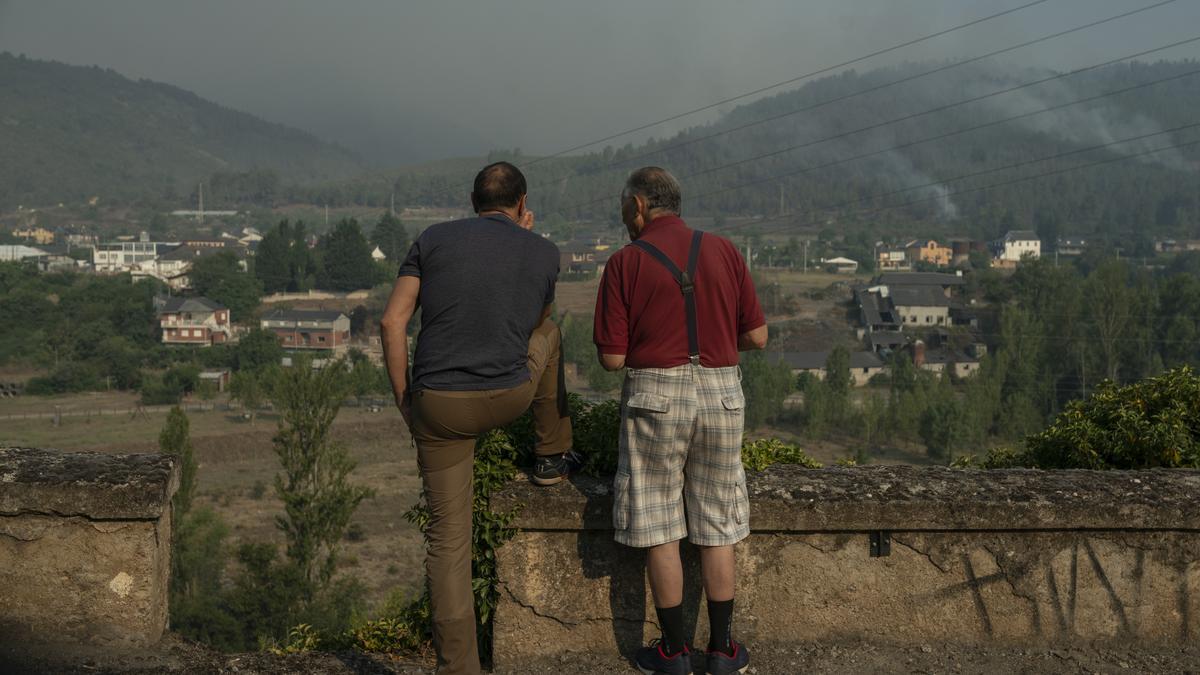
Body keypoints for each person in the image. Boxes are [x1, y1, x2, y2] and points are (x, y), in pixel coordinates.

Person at [380, 161, 580, 675]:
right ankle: (551, 454)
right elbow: (533, 324)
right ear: (521, 203)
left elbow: (392, 320)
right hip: (509, 393)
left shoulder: (432, 239)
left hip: (439, 404)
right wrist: (524, 244)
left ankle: (460, 668)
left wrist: (406, 399)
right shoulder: (543, 250)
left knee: (448, 541)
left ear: (473, 202)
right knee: (551, 337)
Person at [593, 167, 767, 675]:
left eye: (626, 207)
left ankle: (672, 653)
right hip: (720, 391)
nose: (625, 215)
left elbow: (610, 359)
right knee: (717, 522)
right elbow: (757, 338)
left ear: (640, 206)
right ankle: (722, 650)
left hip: (655, 393)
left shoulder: (625, 263)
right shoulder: (725, 250)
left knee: (658, 524)